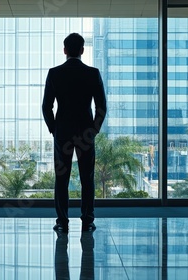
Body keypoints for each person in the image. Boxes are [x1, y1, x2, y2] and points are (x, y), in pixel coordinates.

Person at [42, 33, 107, 233]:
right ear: (82, 50)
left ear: (65, 50)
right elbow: (101, 106)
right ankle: (87, 220)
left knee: (62, 178)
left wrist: (54, 128)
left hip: (63, 131)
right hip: (86, 131)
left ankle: (62, 221)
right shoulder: (93, 73)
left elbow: (46, 106)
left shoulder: (54, 73)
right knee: (87, 177)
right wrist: (94, 129)